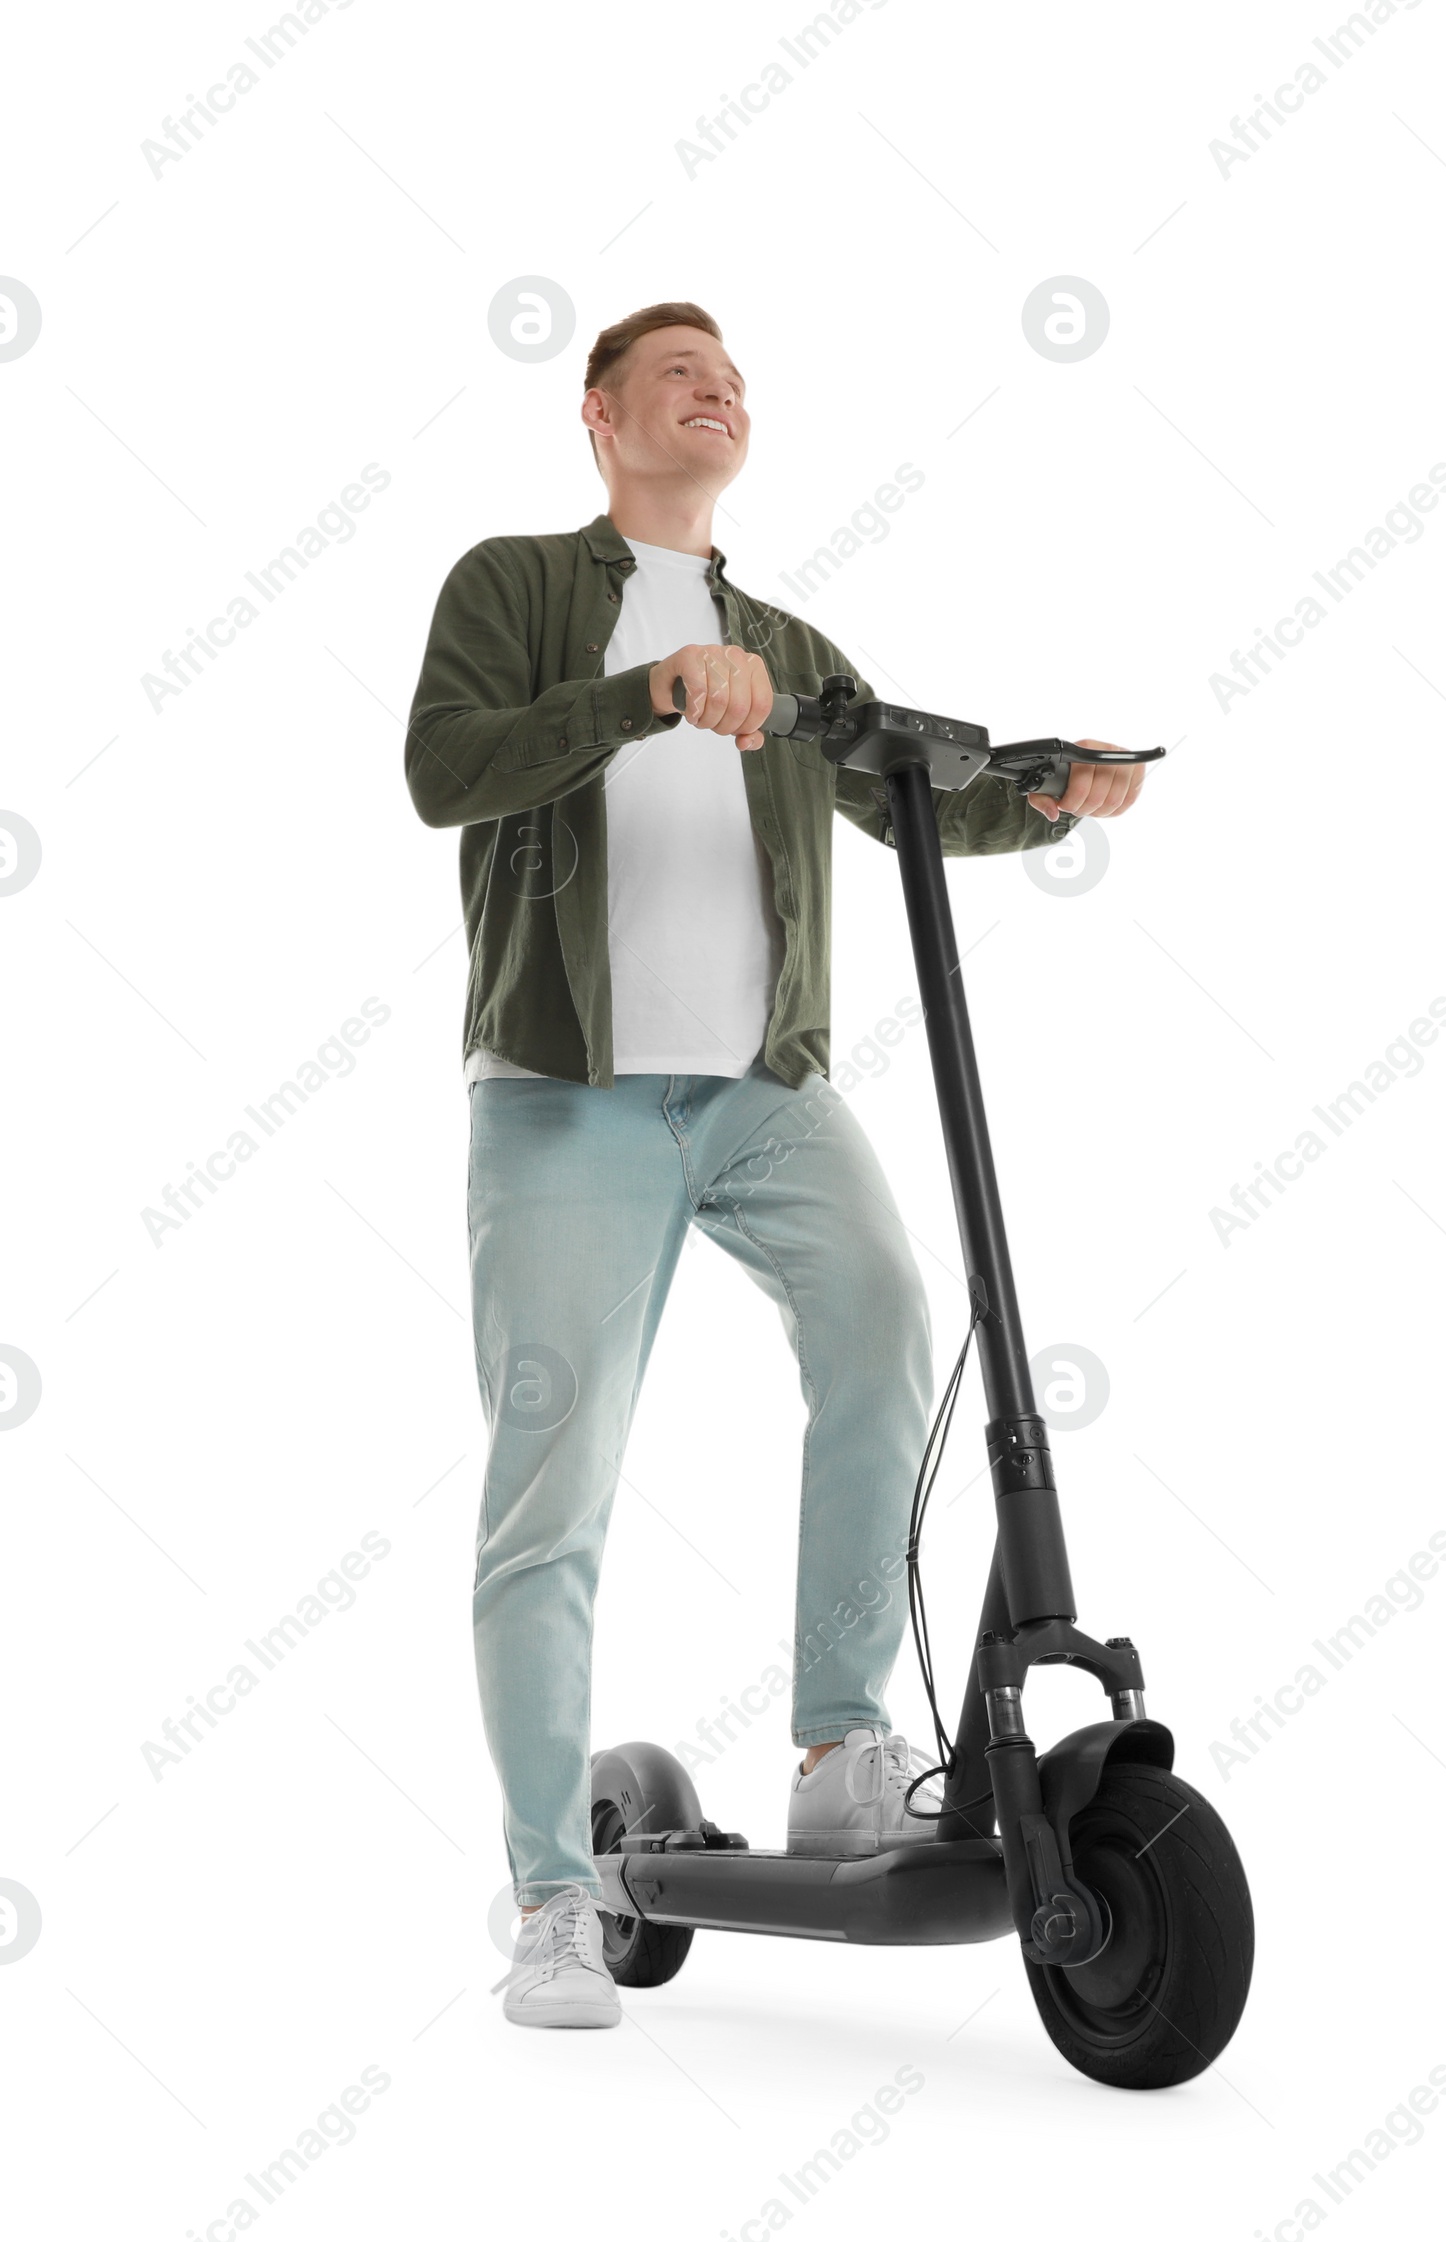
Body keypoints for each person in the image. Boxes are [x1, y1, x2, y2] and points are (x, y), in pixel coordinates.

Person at [404, 301, 1147, 2030]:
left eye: (730, 375)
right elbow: (446, 770)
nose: (717, 389)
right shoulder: (511, 586)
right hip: (564, 1093)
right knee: (553, 1488)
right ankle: (553, 1898)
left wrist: (1039, 792)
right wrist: (645, 691)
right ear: (599, 416)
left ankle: (838, 1739)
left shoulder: (788, 636)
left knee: (889, 1316)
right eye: (679, 371)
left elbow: (904, 791)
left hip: (763, 1089)